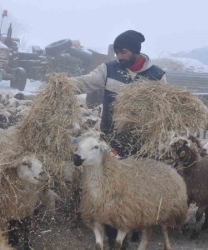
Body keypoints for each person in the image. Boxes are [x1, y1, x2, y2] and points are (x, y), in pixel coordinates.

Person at [69, 30, 166, 249]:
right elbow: (85, 82)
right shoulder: (109, 69)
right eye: (117, 52)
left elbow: (164, 109)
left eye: (123, 52)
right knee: (109, 182)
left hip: (140, 142)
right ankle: (111, 231)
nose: (119, 57)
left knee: (135, 185)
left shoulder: (157, 76)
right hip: (110, 142)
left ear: (135, 51)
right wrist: (63, 85)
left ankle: (132, 227)